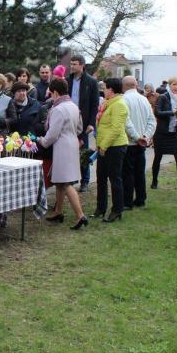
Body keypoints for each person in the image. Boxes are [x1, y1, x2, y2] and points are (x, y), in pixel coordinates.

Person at [37, 78, 87, 229]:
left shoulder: (58, 109)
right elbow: (80, 128)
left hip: (62, 146)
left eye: (51, 93)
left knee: (65, 182)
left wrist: (40, 140)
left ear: (55, 92)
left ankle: (80, 216)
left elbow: (52, 134)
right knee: (59, 180)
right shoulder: (73, 106)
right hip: (72, 142)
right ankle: (58, 211)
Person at [93, 78, 129, 223]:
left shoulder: (119, 105)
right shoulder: (108, 103)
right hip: (104, 146)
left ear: (111, 90)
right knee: (101, 178)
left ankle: (117, 210)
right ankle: (100, 208)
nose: (104, 91)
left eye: (105, 88)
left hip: (115, 147)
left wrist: (104, 146)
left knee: (115, 179)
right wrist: (100, 145)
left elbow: (116, 129)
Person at [121, 76, 156, 209]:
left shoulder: (124, 100)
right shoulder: (144, 99)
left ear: (124, 86)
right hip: (141, 141)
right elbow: (152, 121)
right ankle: (141, 198)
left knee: (127, 173)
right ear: (135, 85)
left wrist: (137, 137)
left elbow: (126, 122)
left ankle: (127, 201)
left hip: (129, 141)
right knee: (139, 172)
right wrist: (146, 135)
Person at [151, 76, 177, 193]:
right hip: (162, 133)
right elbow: (157, 112)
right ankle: (154, 181)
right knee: (158, 157)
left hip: (174, 134)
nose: (176, 87)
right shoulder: (163, 97)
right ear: (169, 85)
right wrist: (172, 112)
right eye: (174, 84)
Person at [67, 55, 99, 193]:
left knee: (83, 151)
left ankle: (85, 180)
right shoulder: (68, 80)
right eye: (71, 64)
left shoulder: (91, 82)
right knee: (69, 150)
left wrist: (91, 123)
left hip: (84, 122)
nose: (72, 66)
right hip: (69, 120)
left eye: (74, 64)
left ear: (82, 65)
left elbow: (94, 104)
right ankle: (71, 178)